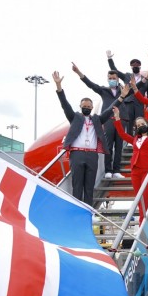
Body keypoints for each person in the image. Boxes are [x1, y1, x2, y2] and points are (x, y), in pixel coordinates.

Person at [52, 71, 114, 207]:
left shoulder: (97, 119)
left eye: (88, 107)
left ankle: (88, 212)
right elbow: (64, 104)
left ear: (92, 108)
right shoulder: (74, 117)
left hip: (92, 154)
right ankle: (76, 211)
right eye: (84, 106)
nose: (86, 108)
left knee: (89, 186)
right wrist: (59, 86)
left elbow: (110, 110)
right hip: (77, 154)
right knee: (77, 185)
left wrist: (121, 96)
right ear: (80, 107)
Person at [71, 62, 126, 180]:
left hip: (120, 120)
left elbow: (136, 90)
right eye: (110, 78)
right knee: (109, 146)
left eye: (114, 78)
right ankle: (108, 170)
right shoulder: (103, 90)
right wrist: (79, 73)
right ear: (107, 79)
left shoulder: (123, 91)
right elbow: (90, 84)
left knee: (119, 146)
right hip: (107, 120)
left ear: (117, 79)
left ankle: (116, 170)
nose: (112, 80)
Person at [107, 51, 148, 143]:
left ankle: (140, 139)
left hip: (140, 103)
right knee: (129, 122)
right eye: (133, 66)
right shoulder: (126, 76)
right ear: (131, 67)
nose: (135, 67)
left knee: (140, 121)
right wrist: (110, 58)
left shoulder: (145, 79)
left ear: (139, 67)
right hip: (128, 102)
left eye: (137, 66)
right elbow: (115, 70)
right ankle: (131, 141)